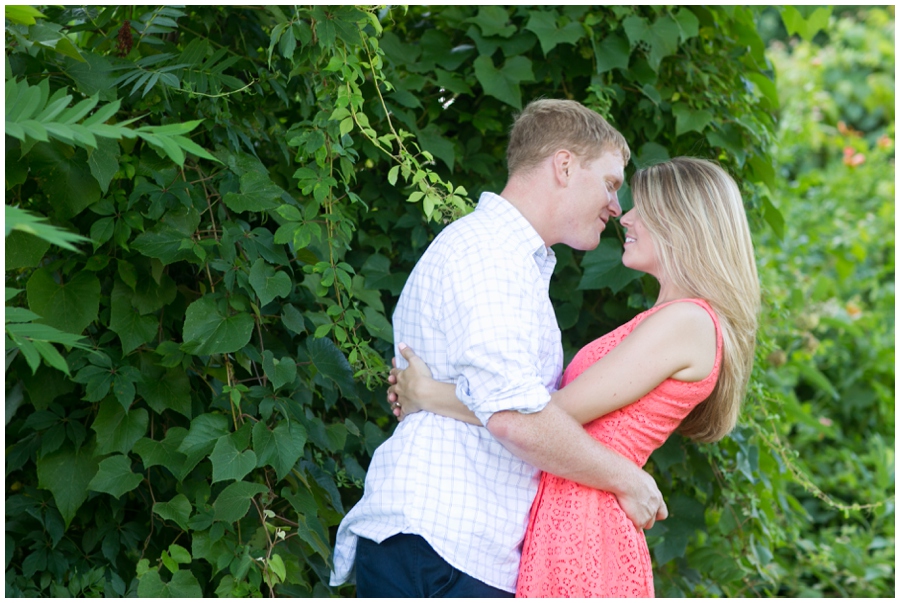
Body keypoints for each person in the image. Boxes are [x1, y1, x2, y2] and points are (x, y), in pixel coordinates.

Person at [329, 99, 668, 598]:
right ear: (565, 165)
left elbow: (505, 404)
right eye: (611, 183)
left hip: (460, 550)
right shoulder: (488, 255)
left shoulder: (512, 262)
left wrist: (432, 395)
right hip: (440, 546)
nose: (616, 207)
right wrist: (627, 480)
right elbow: (515, 415)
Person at [388, 157, 761, 597]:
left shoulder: (687, 321)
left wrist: (429, 394)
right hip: (570, 508)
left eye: (645, 209)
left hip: (587, 519)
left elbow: (548, 413)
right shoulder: (667, 319)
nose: (627, 216)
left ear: (684, 225)